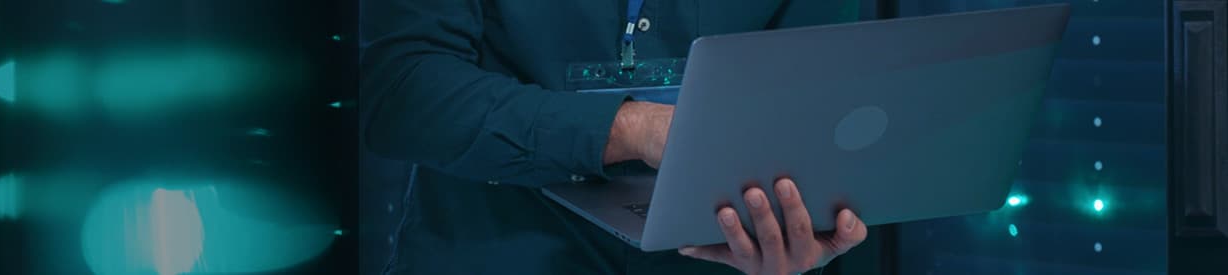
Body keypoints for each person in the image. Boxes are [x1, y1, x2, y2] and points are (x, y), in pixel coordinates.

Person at [361, 0, 868, 274]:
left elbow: (819, 107)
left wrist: (800, 235)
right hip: (494, 253)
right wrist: (631, 127)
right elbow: (404, 93)